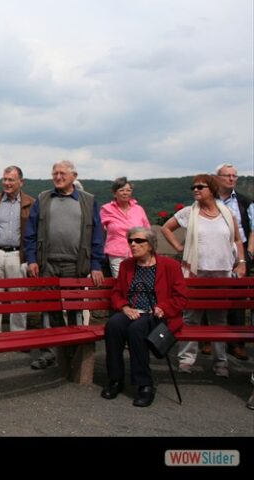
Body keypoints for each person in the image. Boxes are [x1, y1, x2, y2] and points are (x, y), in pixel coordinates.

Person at [161, 174, 245, 378]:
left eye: (201, 186)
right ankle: (186, 360)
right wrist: (179, 247)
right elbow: (166, 228)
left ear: (212, 190)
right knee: (191, 317)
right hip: (195, 273)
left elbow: (236, 240)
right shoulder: (189, 212)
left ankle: (221, 362)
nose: (196, 190)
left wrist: (241, 263)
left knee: (219, 318)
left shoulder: (227, 214)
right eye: (194, 187)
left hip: (221, 273)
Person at [24, 160, 105, 370]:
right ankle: (50, 353)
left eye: (62, 173)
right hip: (47, 263)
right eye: (55, 173)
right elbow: (30, 233)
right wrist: (32, 259)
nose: (58, 177)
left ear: (74, 176)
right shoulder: (43, 199)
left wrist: (96, 264)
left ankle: (73, 353)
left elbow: (96, 234)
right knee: (49, 310)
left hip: (75, 265)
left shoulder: (88, 201)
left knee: (74, 311)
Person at [101, 227, 188, 407]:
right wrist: (124, 307)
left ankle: (144, 384)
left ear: (150, 245)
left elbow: (180, 298)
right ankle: (115, 379)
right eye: (131, 241)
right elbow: (116, 293)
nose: (133, 244)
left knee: (136, 329)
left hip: (157, 315)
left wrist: (163, 307)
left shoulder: (169, 266)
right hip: (132, 311)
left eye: (139, 241)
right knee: (113, 325)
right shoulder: (127, 265)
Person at [0, 165, 35, 334]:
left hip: (17, 254)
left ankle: (18, 335)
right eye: (4, 179)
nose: (6, 183)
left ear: (21, 182)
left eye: (11, 180)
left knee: (18, 297)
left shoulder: (30, 203)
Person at [215, 163, 252, 361]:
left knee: (237, 298)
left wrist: (247, 255)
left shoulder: (245, 201)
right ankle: (209, 340)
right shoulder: (208, 199)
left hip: (239, 252)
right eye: (227, 175)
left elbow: (252, 228)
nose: (231, 179)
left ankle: (236, 343)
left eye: (234, 176)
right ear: (217, 178)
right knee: (210, 295)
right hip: (215, 252)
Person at [99, 177, 151, 278]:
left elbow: (147, 231)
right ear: (115, 193)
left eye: (128, 190)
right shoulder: (106, 209)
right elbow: (97, 230)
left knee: (140, 282)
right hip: (117, 254)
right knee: (122, 282)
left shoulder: (138, 209)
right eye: (121, 190)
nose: (125, 193)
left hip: (139, 252)